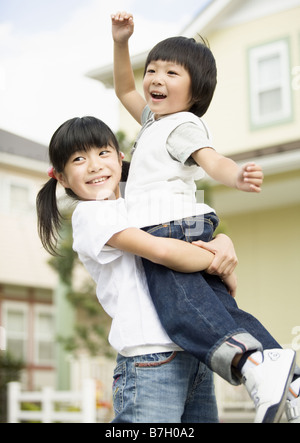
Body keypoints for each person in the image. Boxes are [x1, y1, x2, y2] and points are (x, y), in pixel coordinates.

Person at [111, 12, 300, 423]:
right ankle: (289, 378)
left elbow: (210, 159)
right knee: (220, 311)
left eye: (171, 72)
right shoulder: (152, 120)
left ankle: (248, 364)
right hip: (183, 225)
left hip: (168, 227)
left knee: (184, 311)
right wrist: (121, 42)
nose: (155, 79)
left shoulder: (182, 125)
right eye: (153, 69)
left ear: (196, 91)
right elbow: (124, 86)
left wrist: (235, 175)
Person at [37, 116, 244, 423]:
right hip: (150, 359)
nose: (94, 165)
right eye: (79, 158)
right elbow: (161, 251)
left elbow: (201, 244)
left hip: (195, 352)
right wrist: (216, 257)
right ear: (62, 178)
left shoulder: (145, 206)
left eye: (103, 153)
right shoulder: (92, 215)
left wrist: (223, 241)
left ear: (120, 160)